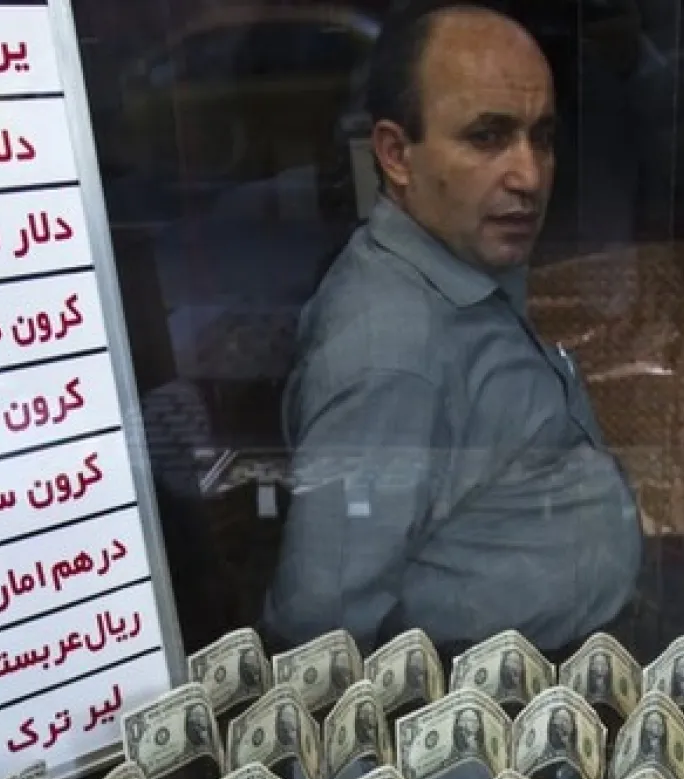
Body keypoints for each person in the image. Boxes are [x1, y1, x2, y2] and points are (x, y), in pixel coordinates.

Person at [261, 0, 642, 655]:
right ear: (395, 155)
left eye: (542, 137)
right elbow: (318, 633)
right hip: (486, 715)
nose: (529, 176)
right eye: (487, 137)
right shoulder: (391, 357)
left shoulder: (462, 268)